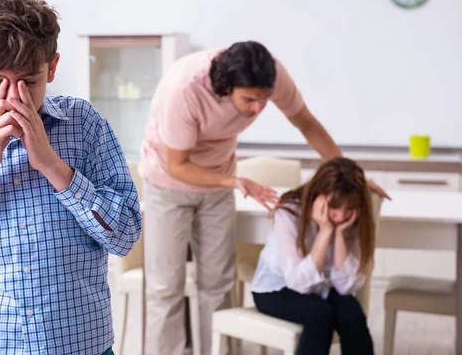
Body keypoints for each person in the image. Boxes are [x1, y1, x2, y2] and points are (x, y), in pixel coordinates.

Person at [0, 0, 141, 355]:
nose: (11, 97)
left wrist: (54, 167)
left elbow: (124, 236)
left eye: (29, 81)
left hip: (81, 343)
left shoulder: (84, 124)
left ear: (51, 68)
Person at [139, 41, 388, 355]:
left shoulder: (272, 75)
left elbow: (306, 123)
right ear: (226, 87)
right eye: (249, 100)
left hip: (217, 184)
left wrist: (352, 176)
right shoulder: (184, 89)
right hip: (168, 182)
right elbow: (178, 165)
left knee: (218, 284)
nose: (257, 109)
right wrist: (233, 179)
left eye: (264, 99)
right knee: (165, 287)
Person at [251, 157, 375, 355]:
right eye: (335, 206)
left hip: (320, 286)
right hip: (276, 289)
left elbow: (345, 287)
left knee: (351, 313)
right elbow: (298, 282)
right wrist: (325, 230)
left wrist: (339, 234)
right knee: (319, 313)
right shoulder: (289, 213)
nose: (341, 216)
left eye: (349, 208)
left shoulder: (351, 218)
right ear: (318, 195)